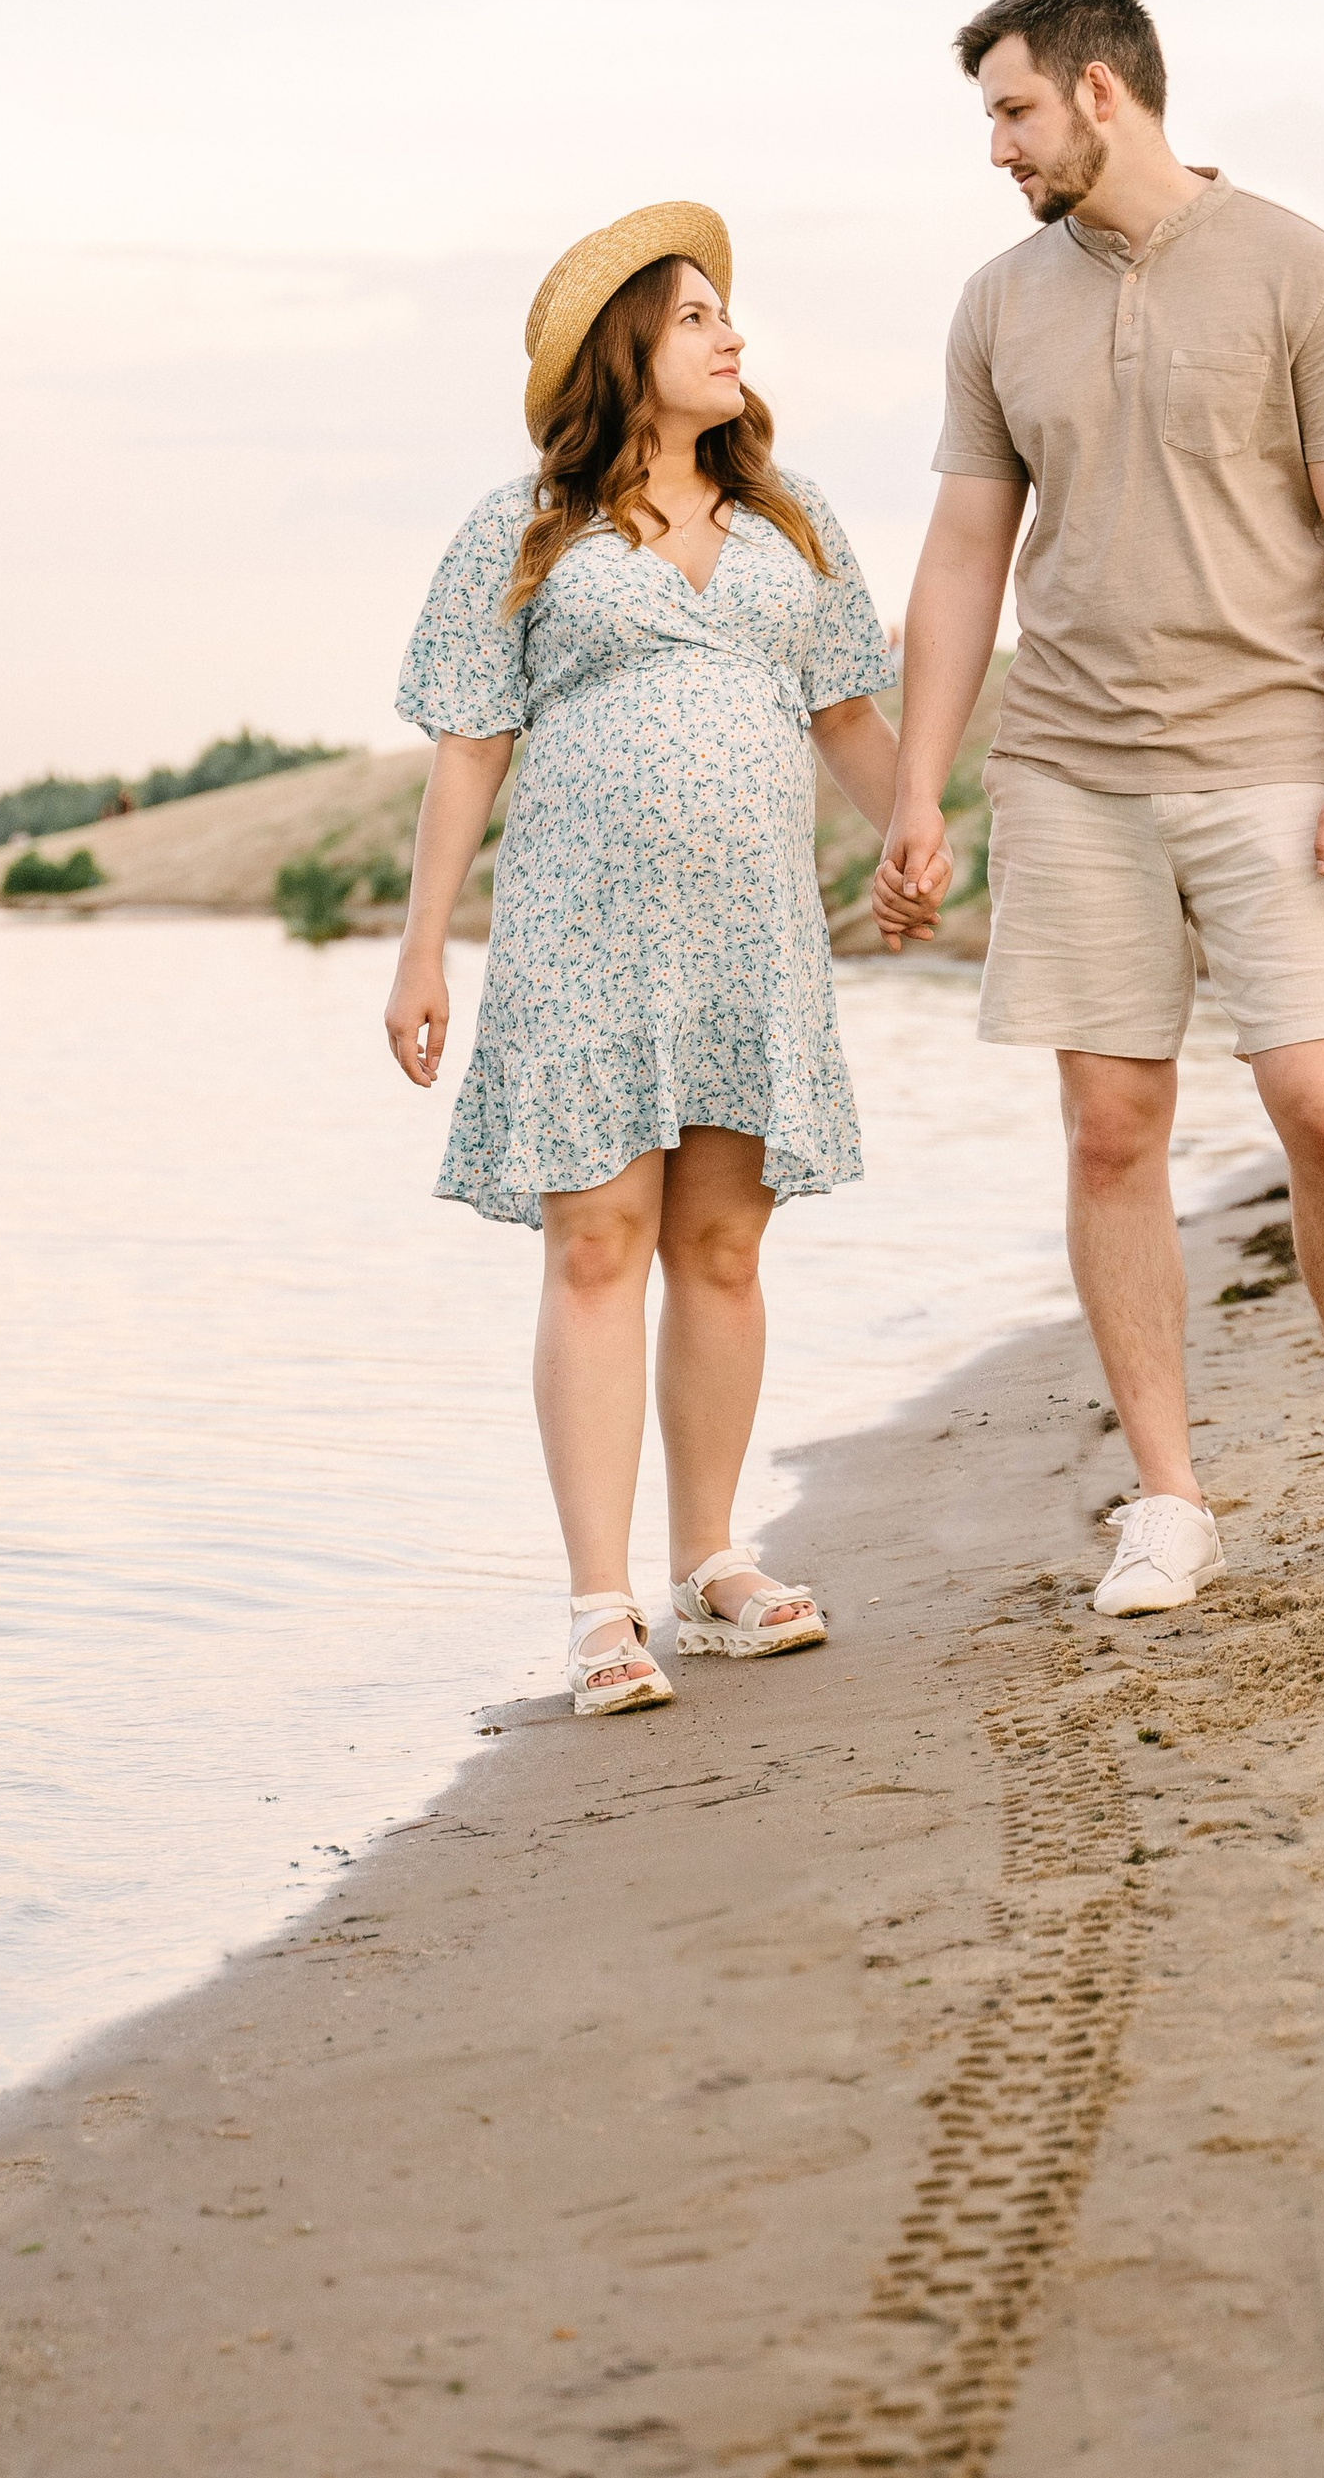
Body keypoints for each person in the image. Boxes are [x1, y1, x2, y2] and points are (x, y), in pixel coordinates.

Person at [871, 0, 1324, 1618]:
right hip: (1071, 768)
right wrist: (919, 789)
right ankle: (1169, 1495)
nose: (994, 147)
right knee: (1110, 1128)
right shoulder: (999, 302)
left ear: (1096, 90)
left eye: (1008, 110)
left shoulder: (1299, 269)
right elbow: (960, 556)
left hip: (1273, 753)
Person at [385, 203, 936, 1719]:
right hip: (578, 937)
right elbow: (466, 752)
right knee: (594, 1245)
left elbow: (845, 719)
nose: (730, 334)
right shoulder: (522, 528)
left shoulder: (792, 520)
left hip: (749, 936)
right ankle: (598, 1603)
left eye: (725, 313)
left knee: (724, 1247)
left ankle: (710, 1561)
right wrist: (424, 946)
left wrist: (916, 835)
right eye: (696, 315)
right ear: (625, 348)